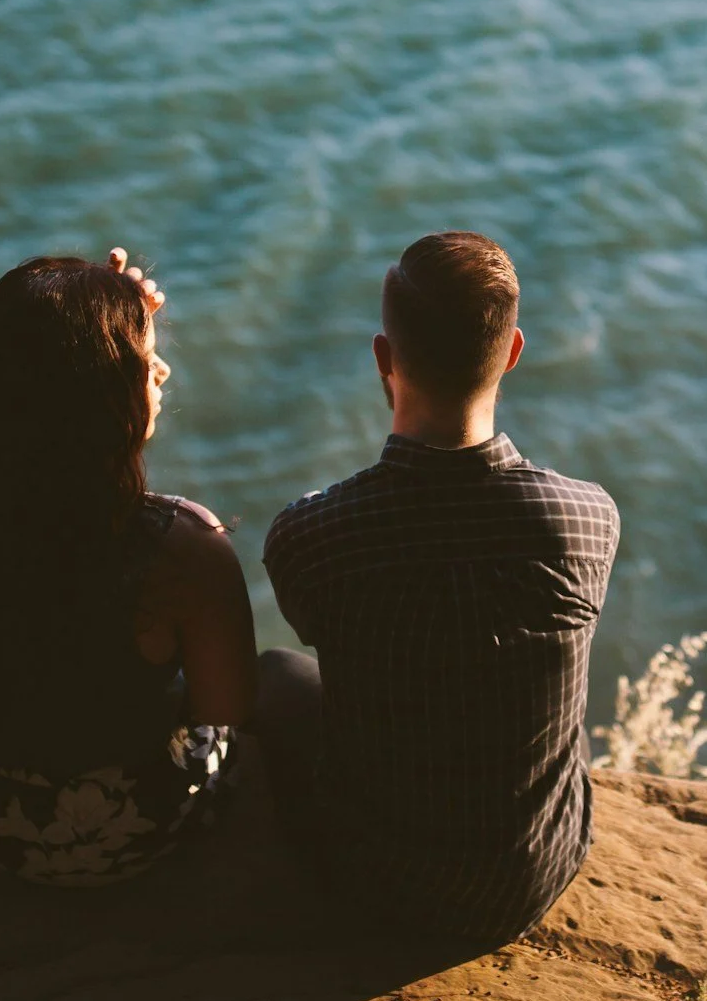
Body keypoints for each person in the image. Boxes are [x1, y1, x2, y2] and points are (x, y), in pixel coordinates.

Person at [261, 232, 621, 942]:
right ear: (513, 350)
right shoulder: (588, 520)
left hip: (379, 887)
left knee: (275, 673)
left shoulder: (311, 536)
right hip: (531, 878)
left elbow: (317, 626)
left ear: (384, 360)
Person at [0, 251, 257, 885]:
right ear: (101, 403)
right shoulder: (179, 545)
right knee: (285, 680)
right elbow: (227, 704)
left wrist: (94, 305)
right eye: (142, 365)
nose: (163, 370)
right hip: (124, 836)